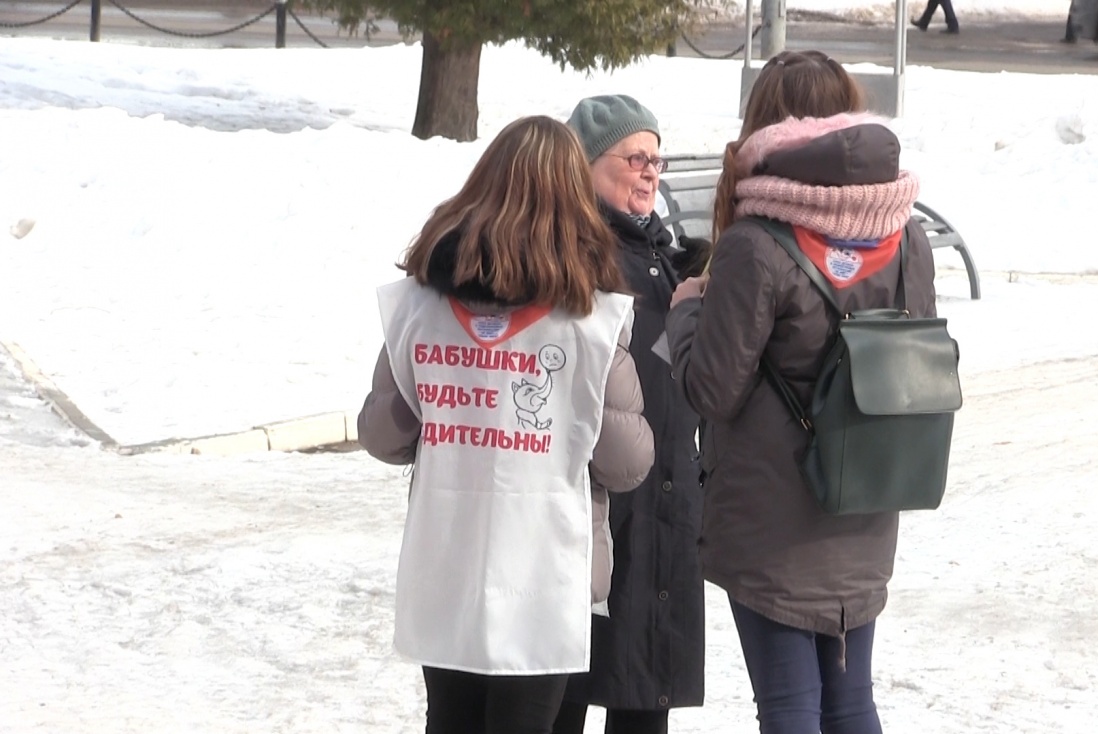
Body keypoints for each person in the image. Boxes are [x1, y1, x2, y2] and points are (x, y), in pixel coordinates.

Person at [665, 50, 938, 734]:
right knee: (850, 702)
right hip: (869, 495)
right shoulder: (907, 237)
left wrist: (688, 309)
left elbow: (711, 390)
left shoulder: (756, 245)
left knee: (789, 706)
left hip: (772, 519)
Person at [356, 115, 655, 734]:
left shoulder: (419, 306)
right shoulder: (592, 321)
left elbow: (383, 436)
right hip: (549, 571)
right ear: (575, 202)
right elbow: (627, 465)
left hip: (447, 563)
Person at [551, 94, 707, 734]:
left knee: (645, 694)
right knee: (564, 688)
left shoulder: (666, 257)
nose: (651, 171)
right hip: (596, 505)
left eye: (656, 159)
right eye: (634, 157)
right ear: (586, 164)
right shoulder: (568, 255)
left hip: (665, 499)